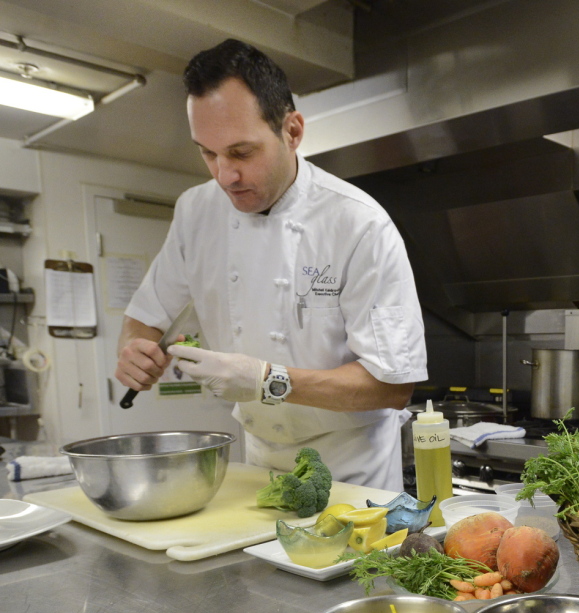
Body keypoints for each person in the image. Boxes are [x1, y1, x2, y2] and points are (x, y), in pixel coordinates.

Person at [114, 39, 427, 491]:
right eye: (207, 153)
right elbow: (146, 317)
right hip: (259, 463)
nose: (224, 176)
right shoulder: (195, 212)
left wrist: (266, 380)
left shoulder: (358, 223)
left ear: (292, 131)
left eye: (242, 152)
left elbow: (392, 386)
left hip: (354, 469)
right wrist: (134, 349)